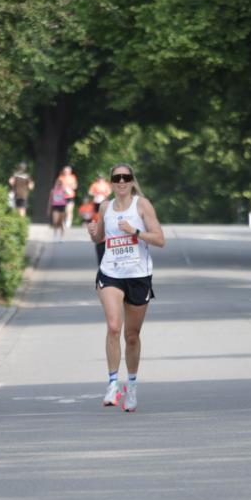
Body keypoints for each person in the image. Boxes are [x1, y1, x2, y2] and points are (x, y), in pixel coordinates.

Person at [87, 163, 165, 412]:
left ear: (132, 181)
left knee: (132, 337)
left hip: (138, 275)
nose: (121, 181)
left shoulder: (142, 205)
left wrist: (136, 232)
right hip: (111, 272)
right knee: (113, 327)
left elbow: (160, 239)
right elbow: (99, 237)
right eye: (117, 178)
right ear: (111, 182)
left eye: (126, 177)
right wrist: (92, 231)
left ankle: (131, 387)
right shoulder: (105, 207)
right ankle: (112, 384)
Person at [87, 173, 112, 265]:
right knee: (97, 215)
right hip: (96, 200)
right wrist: (96, 193)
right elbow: (90, 192)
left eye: (101, 178)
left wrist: (104, 194)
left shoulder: (106, 184)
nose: (100, 179)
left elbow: (109, 192)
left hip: (103, 200)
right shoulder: (95, 184)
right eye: (99, 178)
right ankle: (98, 224)